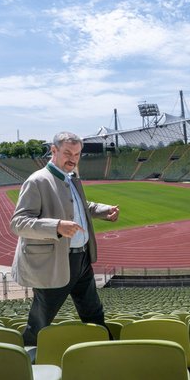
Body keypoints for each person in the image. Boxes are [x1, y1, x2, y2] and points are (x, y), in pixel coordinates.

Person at [11, 131, 119, 345]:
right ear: (53, 150)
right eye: (68, 153)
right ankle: (26, 360)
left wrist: (103, 211)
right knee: (41, 320)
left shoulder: (70, 178)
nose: (73, 159)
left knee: (94, 312)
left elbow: (79, 208)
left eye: (77, 154)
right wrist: (56, 227)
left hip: (82, 259)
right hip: (56, 262)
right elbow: (19, 222)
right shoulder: (37, 181)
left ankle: (107, 351)